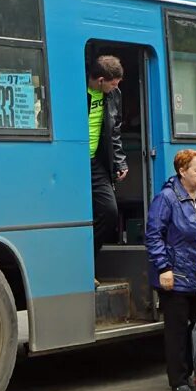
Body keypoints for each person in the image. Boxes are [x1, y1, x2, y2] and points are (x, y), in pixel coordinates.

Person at [145, 149, 196, 391]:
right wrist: (164, 267)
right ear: (182, 172)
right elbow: (154, 235)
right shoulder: (167, 198)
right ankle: (178, 379)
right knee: (177, 330)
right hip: (175, 275)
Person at [87, 56, 128, 272]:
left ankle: (87, 261)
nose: (116, 87)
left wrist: (119, 162)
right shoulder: (76, 90)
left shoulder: (114, 95)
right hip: (71, 162)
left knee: (109, 212)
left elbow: (115, 130)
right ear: (100, 80)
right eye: (113, 83)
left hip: (96, 163)